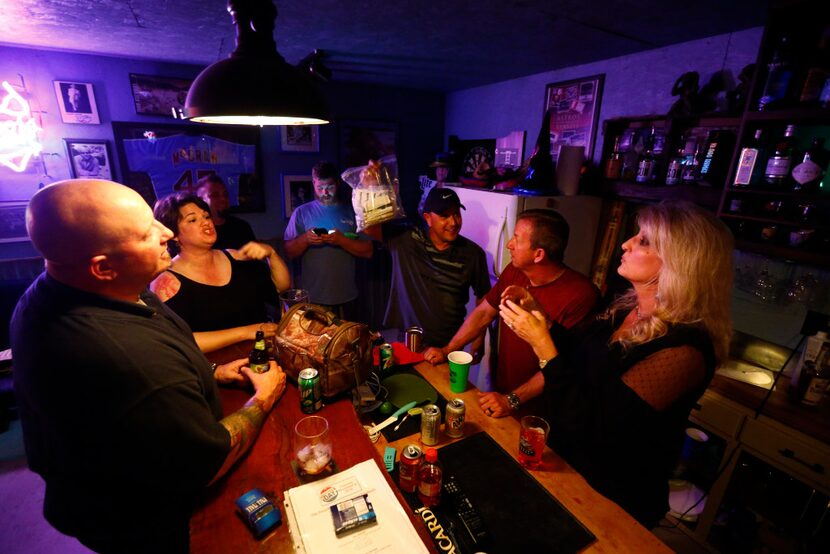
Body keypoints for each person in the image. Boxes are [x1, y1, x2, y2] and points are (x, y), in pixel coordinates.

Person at [11, 179, 287, 552]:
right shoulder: (127, 357)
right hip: (142, 518)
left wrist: (210, 371)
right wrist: (264, 398)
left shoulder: (85, 284)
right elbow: (209, 460)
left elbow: (172, 337)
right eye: (146, 232)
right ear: (102, 266)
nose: (166, 233)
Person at [499, 201, 733, 528]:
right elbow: (580, 357)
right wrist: (544, 320)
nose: (627, 243)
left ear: (681, 262)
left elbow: (597, 427)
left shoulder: (685, 350)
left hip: (613, 499)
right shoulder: (626, 310)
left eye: (644, 241)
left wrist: (541, 343)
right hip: (569, 470)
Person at [423, 209, 599, 415]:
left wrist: (512, 400)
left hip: (543, 411)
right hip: (503, 395)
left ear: (539, 254)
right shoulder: (515, 271)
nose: (509, 244)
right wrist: (448, 349)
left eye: (516, 238)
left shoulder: (581, 296)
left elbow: (562, 364)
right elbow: (483, 313)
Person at [150, 192, 290, 353]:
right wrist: (246, 332)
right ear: (173, 234)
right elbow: (178, 340)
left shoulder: (235, 256)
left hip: (262, 356)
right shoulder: (166, 281)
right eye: (193, 220)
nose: (206, 223)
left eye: (206, 217)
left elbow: (282, 287)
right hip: (216, 368)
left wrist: (271, 254)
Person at [371, 186, 490, 347]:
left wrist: (478, 337)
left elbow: (484, 298)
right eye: (444, 216)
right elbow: (369, 228)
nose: (453, 222)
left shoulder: (474, 254)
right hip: (406, 341)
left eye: (456, 213)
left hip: (449, 346)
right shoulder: (407, 240)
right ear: (428, 218)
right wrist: (371, 187)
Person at [283, 161, 372, 318]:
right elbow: (289, 252)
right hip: (313, 297)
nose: (325, 192)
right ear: (313, 183)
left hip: (348, 296)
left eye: (329, 187)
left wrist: (342, 241)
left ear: (338, 183)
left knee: (348, 342)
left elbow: (368, 252)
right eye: (320, 188)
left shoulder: (353, 210)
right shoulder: (301, 213)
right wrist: (305, 239)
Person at [195, 174, 256, 250]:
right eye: (215, 195)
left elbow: (254, 260)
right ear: (201, 200)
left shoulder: (242, 227)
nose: (223, 199)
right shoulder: (196, 231)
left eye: (225, 194)